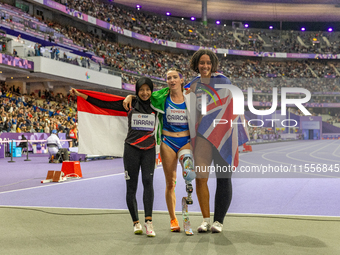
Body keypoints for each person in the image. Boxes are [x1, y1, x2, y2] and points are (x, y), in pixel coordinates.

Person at [71, 77, 157, 237]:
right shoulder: (129, 104)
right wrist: (81, 95)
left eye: (148, 89)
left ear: (151, 90)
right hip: (131, 150)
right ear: (137, 91)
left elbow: (173, 96)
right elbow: (104, 103)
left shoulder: (156, 105)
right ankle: (136, 223)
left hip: (149, 150)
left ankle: (149, 222)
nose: (145, 93)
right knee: (131, 187)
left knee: (148, 183)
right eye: (141, 90)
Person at [123, 67, 196, 232]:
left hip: (185, 142)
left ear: (181, 80)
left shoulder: (190, 97)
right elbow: (144, 96)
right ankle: (173, 219)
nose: (171, 80)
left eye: (174, 77)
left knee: (189, 172)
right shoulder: (161, 97)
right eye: (168, 78)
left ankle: (189, 183)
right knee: (170, 183)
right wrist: (131, 96)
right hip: (167, 142)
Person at [187, 49, 248, 233]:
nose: (205, 66)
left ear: (213, 65)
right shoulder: (193, 85)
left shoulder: (223, 81)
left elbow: (232, 104)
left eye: (208, 63)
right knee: (201, 178)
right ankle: (206, 219)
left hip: (223, 135)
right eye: (201, 63)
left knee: (223, 178)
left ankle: (218, 221)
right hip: (203, 138)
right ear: (196, 64)